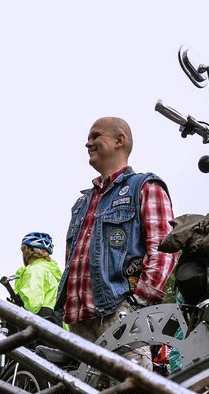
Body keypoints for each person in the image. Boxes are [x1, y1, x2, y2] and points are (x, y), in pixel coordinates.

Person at [54, 117, 176, 368]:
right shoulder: (82, 203)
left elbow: (164, 248)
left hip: (119, 312)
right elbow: (71, 258)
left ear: (120, 140)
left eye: (95, 136)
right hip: (78, 320)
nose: (87, 143)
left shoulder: (144, 187)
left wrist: (138, 302)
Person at [12, 231, 64, 321]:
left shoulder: (34, 270)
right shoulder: (54, 274)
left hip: (39, 322)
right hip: (56, 325)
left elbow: (32, 305)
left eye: (23, 248)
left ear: (30, 250)